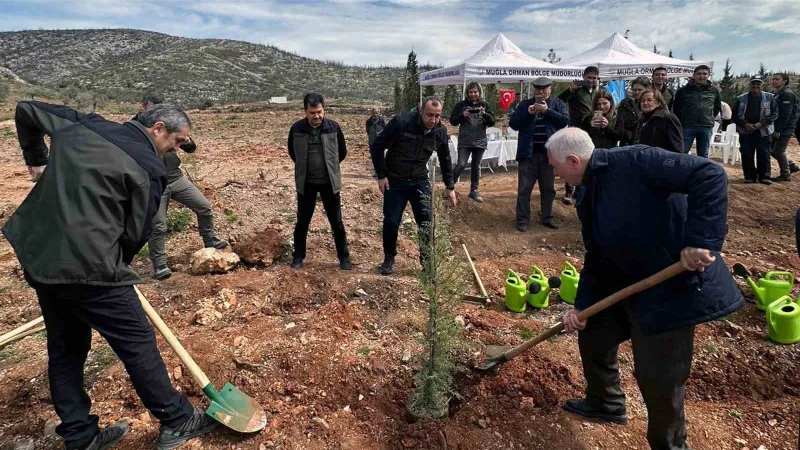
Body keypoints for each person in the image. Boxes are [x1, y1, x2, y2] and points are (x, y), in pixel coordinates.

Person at [2, 101, 218, 450]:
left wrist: (36, 159)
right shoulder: (149, 168)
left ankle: (80, 436)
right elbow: (136, 233)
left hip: (38, 256)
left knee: (66, 347)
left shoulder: (83, 124)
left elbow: (26, 109)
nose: (176, 149)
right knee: (137, 342)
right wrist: (115, 269)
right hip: (88, 268)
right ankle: (177, 420)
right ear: (158, 128)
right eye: (177, 141)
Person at [547, 127, 742, 450]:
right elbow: (596, 254)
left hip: (672, 286)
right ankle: (605, 402)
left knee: (658, 378)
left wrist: (701, 240)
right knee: (595, 333)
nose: (554, 174)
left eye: (555, 167)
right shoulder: (587, 191)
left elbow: (709, 173)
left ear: (573, 160)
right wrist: (581, 306)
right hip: (629, 281)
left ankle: (670, 445)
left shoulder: (638, 161)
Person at [136, 94, 229, 280]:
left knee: (203, 206)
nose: (157, 114)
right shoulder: (137, 129)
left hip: (175, 178)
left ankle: (209, 238)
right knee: (159, 225)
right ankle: (159, 263)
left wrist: (185, 141)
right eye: (153, 109)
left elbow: (191, 147)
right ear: (144, 107)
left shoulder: (171, 127)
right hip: (155, 182)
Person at [370, 96, 456, 275]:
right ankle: (389, 257)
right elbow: (377, 146)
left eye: (437, 116)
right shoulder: (401, 123)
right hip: (395, 180)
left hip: (419, 180)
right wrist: (382, 175)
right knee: (392, 222)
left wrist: (450, 186)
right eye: (429, 115)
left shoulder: (440, 132)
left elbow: (446, 159)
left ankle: (426, 262)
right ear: (420, 111)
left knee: (426, 222)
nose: (433, 120)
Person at [288, 93, 351, 270]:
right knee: (302, 221)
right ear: (305, 112)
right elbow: (292, 153)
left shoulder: (333, 128)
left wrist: (329, 167)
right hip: (306, 183)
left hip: (329, 183)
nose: (316, 116)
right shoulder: (297, 129)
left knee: (336, 222)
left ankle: (344, 258)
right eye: (312, 112)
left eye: (319, 112)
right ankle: (298, 256)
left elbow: (342, 152)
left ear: (324, 109)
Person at [510, 77, 570, 231]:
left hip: (549, 155)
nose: (541, 91)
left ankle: (547, 217)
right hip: (528, 154)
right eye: (537, 88)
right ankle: (522, 219)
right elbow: (513, 124)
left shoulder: (558, 104)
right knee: (524, 189)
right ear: (534, 90)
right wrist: (529, 114)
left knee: (548, 188)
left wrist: (547, 111)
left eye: (544, 88)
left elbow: (564, 121)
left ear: (550, 88)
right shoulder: (524, 105)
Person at [558, 66, 599, 205]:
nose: (591, 80)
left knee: (588, 161)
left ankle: (583, 189)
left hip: (592, 131)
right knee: (573, 160)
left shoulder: (598, 93)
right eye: (589, 77)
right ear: (583, 77)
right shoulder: (576, 90)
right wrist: (571, 90)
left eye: (594, 78)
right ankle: (569, 190)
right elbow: (559, 100)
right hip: (576, 130)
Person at [449, 82, 496, 202]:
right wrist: (462, 115)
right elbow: (453, 121)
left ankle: (474, 191)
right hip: (465, 140)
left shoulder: (485, 105)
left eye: (475, 92)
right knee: (461, 164)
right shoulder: (461, 104)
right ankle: (449, 187)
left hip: (479, 140)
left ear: (479, 92)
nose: (473, 94)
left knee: (476, 166)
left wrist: (484, 114)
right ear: (467, 93)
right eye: (471, 92)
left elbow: (492, 122)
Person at [733, 76, 778, 185]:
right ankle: (749, 177)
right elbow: (734, 116)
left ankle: (764, 176)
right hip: (746, 131)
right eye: (753, 84)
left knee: (764, 154)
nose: (755, 86)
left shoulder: (770, 97)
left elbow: (774, 114)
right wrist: (745, 124)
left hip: (763, 131)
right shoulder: (741, 98)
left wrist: (761, 124)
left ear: (762, 85)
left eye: (758, 84)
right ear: (750, 85)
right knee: (747, 154)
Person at [673, 65, 722, 157]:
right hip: (687, 126)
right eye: (699, 74)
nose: (702, 76)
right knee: (682, 153)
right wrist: (682, 121)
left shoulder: (713, 90)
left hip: (706, 127)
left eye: (705, 74)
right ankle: (681, 171)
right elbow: (676, 108)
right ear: (694, 75)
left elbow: (717, 107)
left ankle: (701, 172)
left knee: (703, 154)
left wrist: (708, 116)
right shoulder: (683, 91)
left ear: (709, 75)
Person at [769, 73, 800, 182]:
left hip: (785, 128)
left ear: (784, 81)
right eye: (773, 79)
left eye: (777, 79)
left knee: (778, 150)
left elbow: (785, 115)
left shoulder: (787, 94)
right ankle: (791, 166)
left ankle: (785, 175)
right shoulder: (776, 94)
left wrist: (778, 130)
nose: (774, 81)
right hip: (776, 126)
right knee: (770, 149)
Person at [635, 88, 684, 153]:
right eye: (642, 101)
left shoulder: (668, 118)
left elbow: (677, 148)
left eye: (649, 100)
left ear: (658, 102)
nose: (645, 103)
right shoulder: (641, 120)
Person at [615, 76, 650, 147]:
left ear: (646, 89)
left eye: (640, 90)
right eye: (634, 90)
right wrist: (631, 135)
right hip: (628, 145)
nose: (636, 92)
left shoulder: (652, 106)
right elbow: (619, 127)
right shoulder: (625, 105)